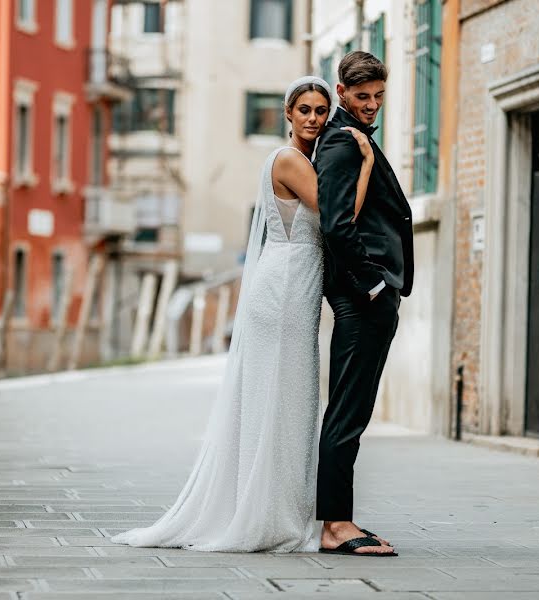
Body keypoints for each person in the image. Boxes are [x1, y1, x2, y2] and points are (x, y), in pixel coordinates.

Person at [111, 75, 379, 553]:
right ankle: (264, 516)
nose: (315, 119)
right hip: (283, 291)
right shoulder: (289, 160)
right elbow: (341, 217)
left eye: (321, 111)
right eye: (306, 111)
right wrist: (366, 165)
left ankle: (273, 508)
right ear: (288, 114)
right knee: (279, 400)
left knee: (288, 401)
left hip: (293, 286)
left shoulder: (301, 159)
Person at [315, 51, 414, 557]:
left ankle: (338, 519)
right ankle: (336, 525)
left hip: (369, 293)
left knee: (352, 408)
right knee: (348, 411)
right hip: (362, 296)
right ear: (341, 92)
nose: (372, 105)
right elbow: (336, 224)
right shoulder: (341, 143)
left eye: (378, 96)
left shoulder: (358, 141)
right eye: (362, 97)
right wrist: (374, 286)